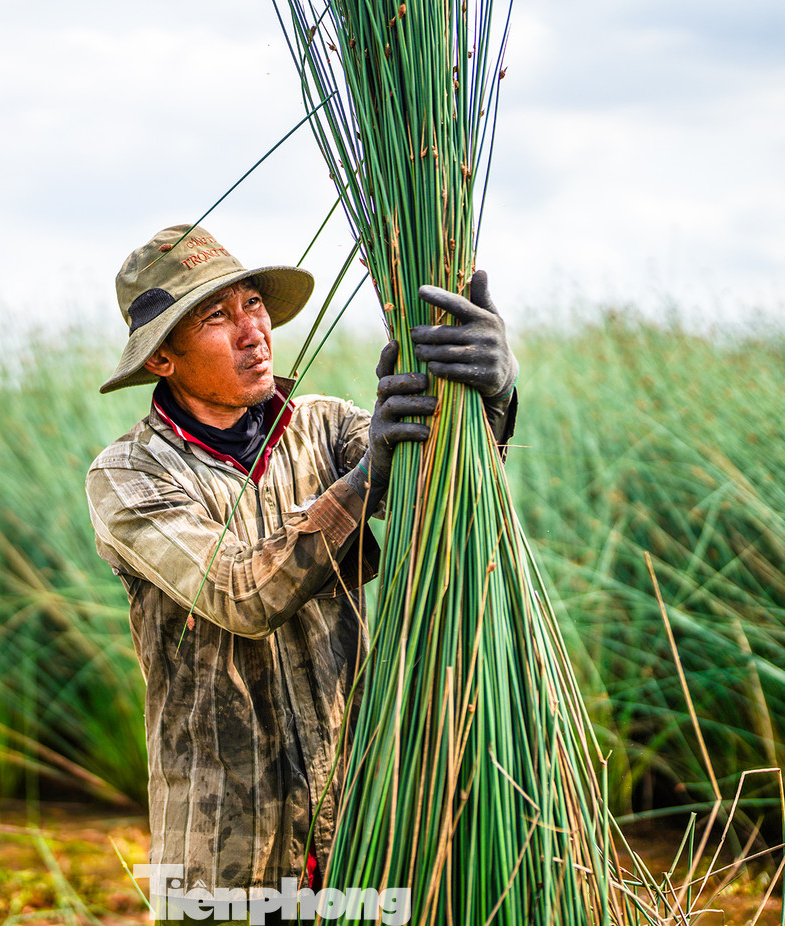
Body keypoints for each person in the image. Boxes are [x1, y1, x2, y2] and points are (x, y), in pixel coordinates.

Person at [85, 224, 517, 920]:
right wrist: (362, 480)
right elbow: (237, 595)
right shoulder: (130, 475)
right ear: (163, 357)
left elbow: (447, 485)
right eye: (215, 317)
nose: (251, 330)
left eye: (252, 304)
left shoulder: (326, 428)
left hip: (356, 821)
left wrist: (489, 398)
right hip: (221, 856)